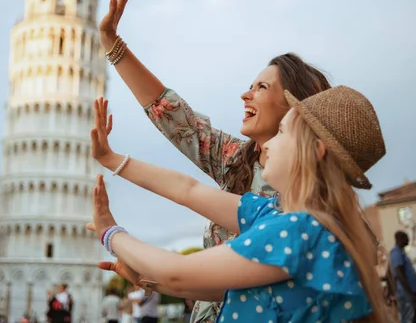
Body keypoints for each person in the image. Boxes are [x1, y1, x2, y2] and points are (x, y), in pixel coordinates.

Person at [98, 0, 333, 323]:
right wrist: (113, 46)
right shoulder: (241, 159)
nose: (245, 94)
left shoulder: (302, 207)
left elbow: (192, 274)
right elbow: (178, 125)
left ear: (294, 108)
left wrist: (111, 233)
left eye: (261, 87)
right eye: (249, 85)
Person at [88, 85, 388, 322]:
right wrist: (110, 158)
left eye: (282, 132)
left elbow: (177, 273)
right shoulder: (280, 215)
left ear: (315, 151)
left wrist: (110, 233)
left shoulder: (299, 230)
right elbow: (187, 190)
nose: (268, 144)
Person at [390, 231, 416, 323]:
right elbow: (399, 274)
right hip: (406, 291)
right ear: (401, 239)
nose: (408, 240)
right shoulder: (396, 253)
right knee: (408, 317)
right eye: (407, 238)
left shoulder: (402, 253)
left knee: (414, 317)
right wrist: (410, 292)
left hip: (411, 290)